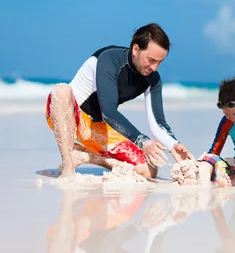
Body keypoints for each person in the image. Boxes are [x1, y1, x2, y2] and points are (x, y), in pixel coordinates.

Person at [45, 23, 193, 180]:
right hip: (69, 116)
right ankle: (68, 165)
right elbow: (108, 112)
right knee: (61, 91)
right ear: (135, 49)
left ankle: (84, 157)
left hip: (97, 128)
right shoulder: (109, 59)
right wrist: (144, 142)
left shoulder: (153, 79)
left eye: (159, 62)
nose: (154, 67)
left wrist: (173, 145)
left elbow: (158, 122)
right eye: (151, 60)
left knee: (149, 169)